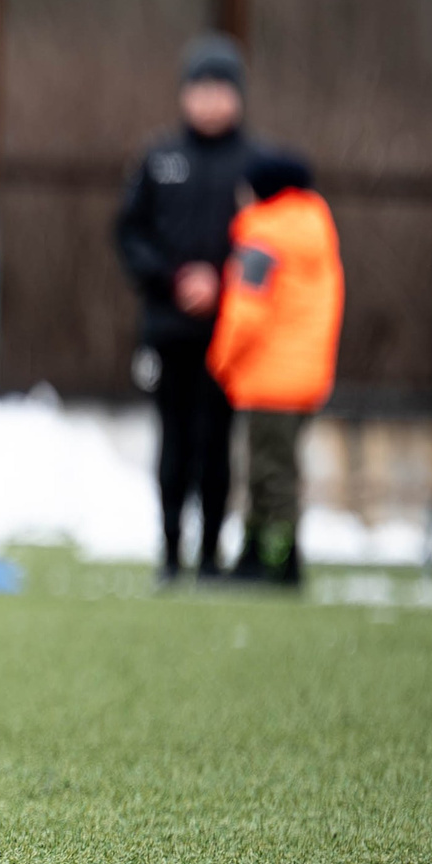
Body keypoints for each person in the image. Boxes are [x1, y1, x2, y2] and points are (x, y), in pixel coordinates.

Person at [113, 34, 251, 582]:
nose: (210, 101)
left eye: (222, 90)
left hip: (234, 330)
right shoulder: (159, 158)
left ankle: (213, 553)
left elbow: (272, 245)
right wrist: (174, 280)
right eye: (200, 89)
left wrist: (226, 283)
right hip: (169, 326)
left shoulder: (255, 165)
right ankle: (170, 551)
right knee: (173, 439)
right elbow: (129, 232)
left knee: (217, 442)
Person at [210, 149, 343, 587]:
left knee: (269, 475)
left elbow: (247, 310)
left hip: (269, 377)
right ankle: (260, 557)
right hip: (304, 377)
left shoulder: (264, 236)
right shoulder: (314, 228)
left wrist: (221, 360)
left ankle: (276, 563)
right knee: (277, 471)